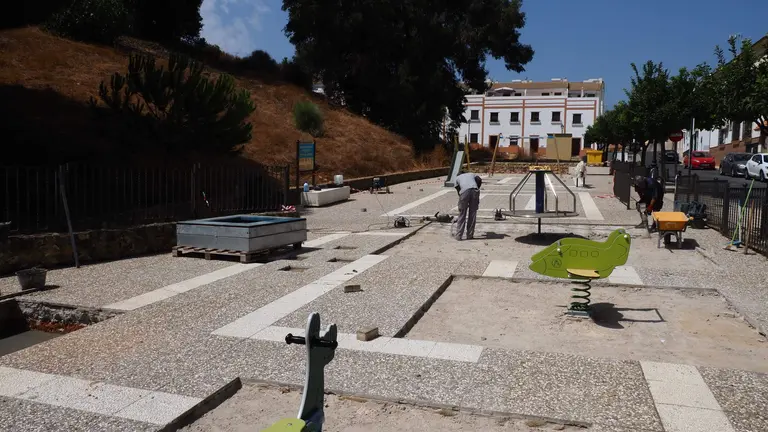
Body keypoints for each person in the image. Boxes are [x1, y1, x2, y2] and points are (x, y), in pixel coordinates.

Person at [453, 171, 482, 240]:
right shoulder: (471, 174)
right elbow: (479, 179)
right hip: (475, 191)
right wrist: (477, 187)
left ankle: (459, 236)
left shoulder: (457, 178)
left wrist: (463, 200)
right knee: (472, 213)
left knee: (462, 213)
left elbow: (458, 190)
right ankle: (470, 235)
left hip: (464, 192)